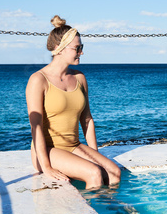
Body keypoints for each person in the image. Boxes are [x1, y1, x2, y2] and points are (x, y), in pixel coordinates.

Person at [26, 15, 121, 189]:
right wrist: (46, 167)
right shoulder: (38, 80)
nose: (81, 52)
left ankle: (110, 211)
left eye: (81, 47)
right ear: (59, 49)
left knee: (114, 172)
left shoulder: (79, 78)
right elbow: (36, 127)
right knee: (93, 173)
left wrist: (94, 154)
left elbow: (87, 120)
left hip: (74, 146)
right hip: (47, 150)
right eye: (77, 48)